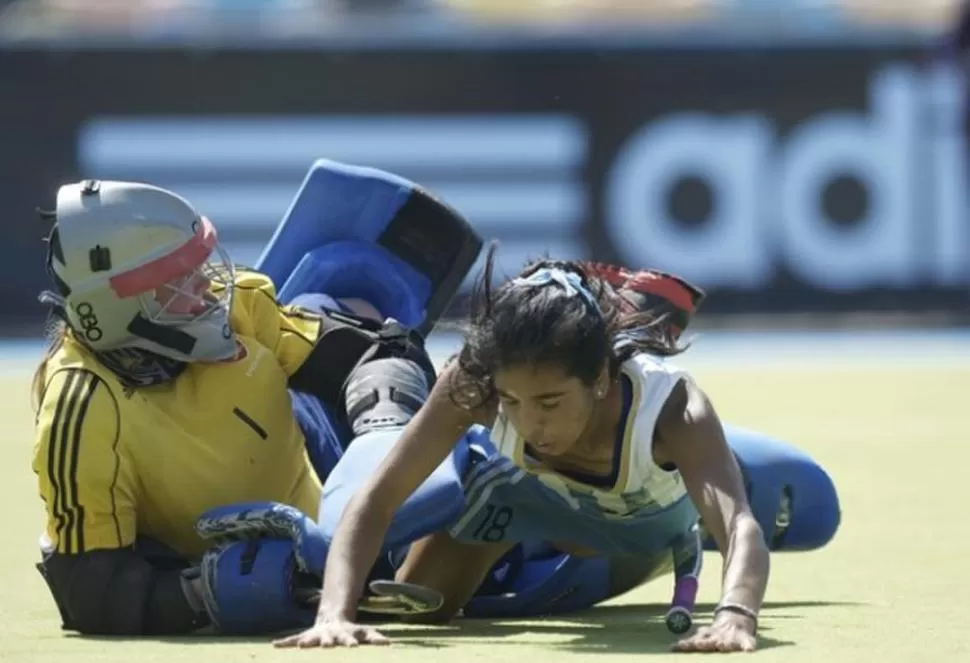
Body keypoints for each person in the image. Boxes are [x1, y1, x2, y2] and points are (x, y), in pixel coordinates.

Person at [29, 177, 474, 635]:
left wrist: (385, 428)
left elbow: (370, 352)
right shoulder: (79, 409)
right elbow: (92, 589)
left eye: (199, 262)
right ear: (114, 308)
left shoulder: (241, 302)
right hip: (236, 560)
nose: (207, 285)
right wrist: (204, 591)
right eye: (179, 276)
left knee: (330, 310)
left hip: (316, 460)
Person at [276, 245, 772, 653]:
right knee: (432, 605)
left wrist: (735, 614)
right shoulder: (474, 383)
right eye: (512, 401)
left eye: (550, 401)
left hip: (650, 531)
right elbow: (377, 499)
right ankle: (520, 545)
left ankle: (565, 553)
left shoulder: (671, 408)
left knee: (719, 507)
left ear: (599, 379)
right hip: (526, 498)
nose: (531, 422)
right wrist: (333, 615)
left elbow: (737, 524)